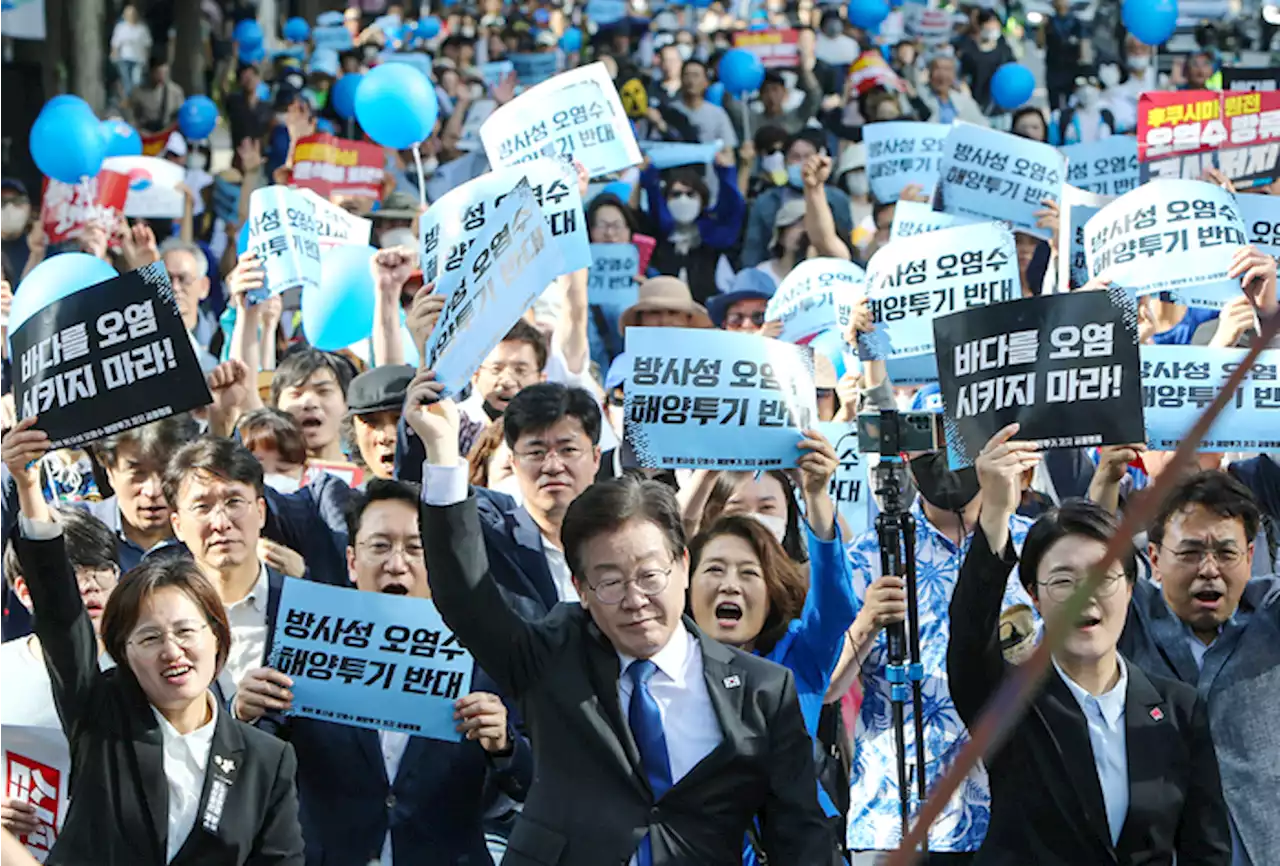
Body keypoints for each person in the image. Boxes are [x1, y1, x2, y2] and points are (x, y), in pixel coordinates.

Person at [407, 373, 835, 864]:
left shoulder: (763, 690)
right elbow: (465, 597)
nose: (634, 599)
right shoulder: (552, 655)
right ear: (583, 590)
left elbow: (799, 833)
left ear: (683, 567)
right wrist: (442, 453)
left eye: (650, 575)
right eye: (609, 581)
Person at [9, 443, 304, 864]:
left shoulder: (266, 760)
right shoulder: (100, 716)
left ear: (218, 637)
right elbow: (60, 615)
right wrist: (28, 488)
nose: (172, 651)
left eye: (186, 631)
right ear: (123, 652)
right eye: (149, 638)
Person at [949, 427, 1230, 864]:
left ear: (1131, 587)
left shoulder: (1177, 709)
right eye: (1063, 581)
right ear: (1034, 595)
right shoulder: (1008, 701)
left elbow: (1204, 848)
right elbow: (969, 637)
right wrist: (995, 514)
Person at [236, 478, 533, 866]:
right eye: (380, 546)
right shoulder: (309, 643)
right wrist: (242, 716)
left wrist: (503, 744)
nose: (397, 563)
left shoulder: (483, 653)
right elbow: (252, 773)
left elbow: (528, 784)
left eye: (415, 547)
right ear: (352, 562)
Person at [831, 418, 1039, 859]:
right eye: (929, 446)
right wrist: (866, 622)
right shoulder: (871, 553)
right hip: (891, 813)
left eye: (959, 444)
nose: (945, 461)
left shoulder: (1035, 546)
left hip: (1007, 808)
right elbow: (827, 687)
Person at [1115, 470, 1280, 865]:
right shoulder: (1127, 622)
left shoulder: (1270, 617)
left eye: (1225, 553)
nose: (1209, 569)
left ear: (1250, 556)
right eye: (1190, 553)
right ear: (1154, 558)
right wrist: (1105, 483)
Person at [741, 131, 854, 269]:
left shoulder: (838, 199)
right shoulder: (765, 202)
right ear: (785, 162)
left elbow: (847, 244)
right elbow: (753, 251)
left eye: (808, 156)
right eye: (795, 157)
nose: (802, 162)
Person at [643, 159, 745, 302]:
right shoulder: (656, 240)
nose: (683, 200)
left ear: (702, 200)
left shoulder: (714, 242)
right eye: (676, 194)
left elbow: (733, 211)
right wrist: (648, 173)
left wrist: (725, 172)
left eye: (690, 194)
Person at [722, 40, 823, 140]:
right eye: (765, 91)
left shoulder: (796, 117)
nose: (770, 95)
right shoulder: (751, 120)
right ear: (760, 95)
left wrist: (803, 69)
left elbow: (814, 95)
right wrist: (733, 67)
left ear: (784, 92)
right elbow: (729, 103)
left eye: (775, 90)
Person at [270, 349, 354, 463]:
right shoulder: (258, 475)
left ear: (347, 402)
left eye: (323, 391)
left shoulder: (369, 475)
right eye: (296, 394)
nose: (309, 403)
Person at [344, 364, 414, 481]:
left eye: (399, 419)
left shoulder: (451, 492)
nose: (385, 437)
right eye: (370, 422)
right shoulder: (343, 497)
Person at [159, 237, 218, 372]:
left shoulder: (220, 340)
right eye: (166, 279)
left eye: (184, 279)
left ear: (204, 286)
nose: (175, 287)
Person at [670, 59, 739, 148]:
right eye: (687, 75)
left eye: (696, 75)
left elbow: (728, 147)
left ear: (706, 82)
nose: (691, 81)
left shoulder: (717, 114)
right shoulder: (671, 110)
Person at [958, 11, 1015, 115]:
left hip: (1000, 108)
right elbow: (963, 78)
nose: (992, 27)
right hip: (976, 103)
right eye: (989, 23)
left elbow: (1012, 73)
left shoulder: (1005, 50)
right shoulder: (969, 51)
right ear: (980, 26)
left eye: (995, 23)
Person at [1040, 0, 1090, 111]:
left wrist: (1084, 66)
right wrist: (1042, 27)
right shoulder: (1050, 22)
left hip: (1071, 66)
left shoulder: (1076, 22)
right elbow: (1040, 44)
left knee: (1071, 101)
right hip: (1054, 67)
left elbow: (1083, 44)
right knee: (1054, 103)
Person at [916, 55, 987, 127]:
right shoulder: (919, 98)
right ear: (929, 72)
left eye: (947, 69)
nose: (942, 74)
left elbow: (983, 125)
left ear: (954, 75)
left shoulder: (964, 101)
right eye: (937, 69)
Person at [130, 54, 185, 133]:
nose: (162, 76)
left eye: (165, 73)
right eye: (159, 73)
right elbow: (133, 117)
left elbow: (181, 115)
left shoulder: (175, 91)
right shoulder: (139, 92)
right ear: (151, 72)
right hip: (147, 132)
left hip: (169, 132)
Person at [110, 5, 152, 99]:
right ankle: (128, 99)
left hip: (138, 58)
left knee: (136, 80)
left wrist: (146, 57)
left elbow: (147, 44)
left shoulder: (142, 29)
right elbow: (115, 43)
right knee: (126, 81)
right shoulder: (120, 27)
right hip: (124, 58)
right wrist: (114, 54)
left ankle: (136, 98)